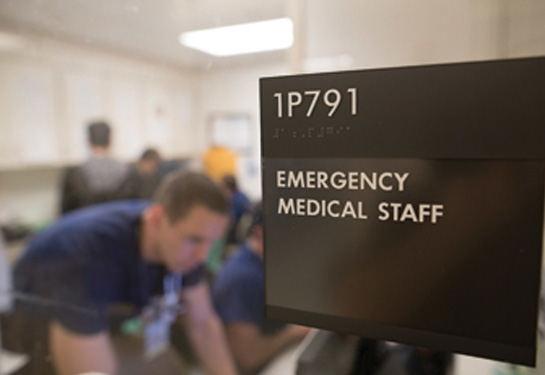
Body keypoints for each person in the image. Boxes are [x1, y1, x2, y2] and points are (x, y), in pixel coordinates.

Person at [7, 171, 238, 375]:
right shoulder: (91, 253)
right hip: (30, 337)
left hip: (98, 323)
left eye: (210, 243)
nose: (202, 256)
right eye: (195, 240)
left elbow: (203, 325)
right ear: (156, 218)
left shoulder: (180, 243)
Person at [212, 202, 310, 375]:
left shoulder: (270, 263)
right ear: (260, 232)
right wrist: (295, 332)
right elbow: (248, 358)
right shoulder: (241, 279)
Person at [59, 120, 128, 214]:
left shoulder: (74, 175)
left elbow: (65, 215)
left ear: (88, 141)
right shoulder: (128, 172)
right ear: (110, 140)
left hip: (85, 227)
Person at [220, 174, 251, 246]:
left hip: (235, 237)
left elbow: (230, 224)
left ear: (227, 187)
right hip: (244, 236)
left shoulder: (234, 201)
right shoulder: (243, 196)